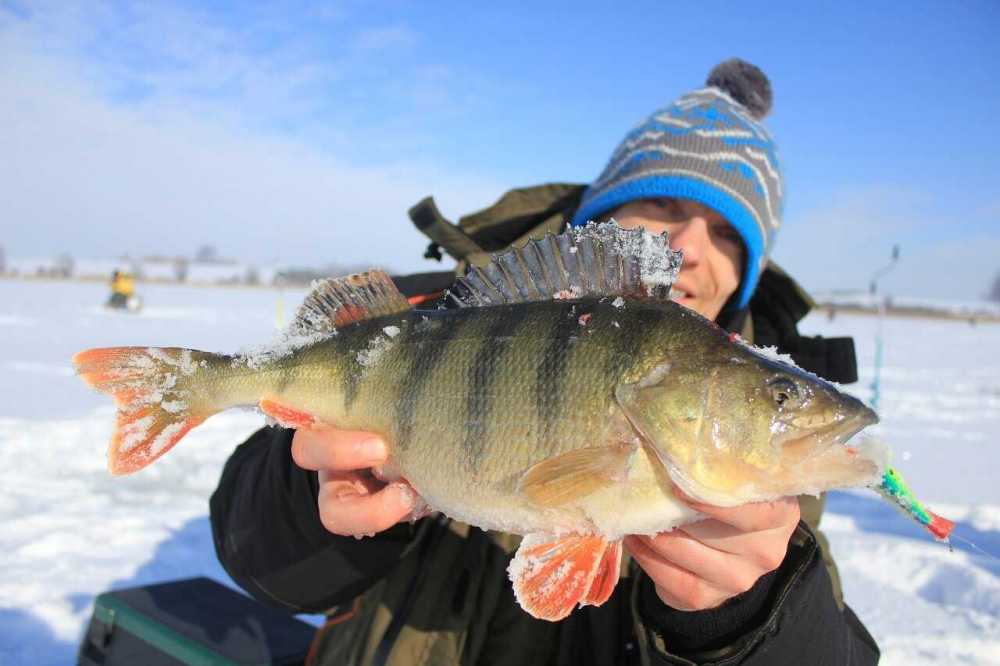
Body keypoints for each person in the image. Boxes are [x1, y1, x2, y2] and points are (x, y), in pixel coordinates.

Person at [210, 59, 878, 664]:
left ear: (748, 271)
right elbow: (256, 560)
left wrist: (748, 621)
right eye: (663, 202)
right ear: (603, 211)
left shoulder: (764, 473)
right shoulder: (439, 316)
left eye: (729, 232)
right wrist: (308, 490)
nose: (691, 247)